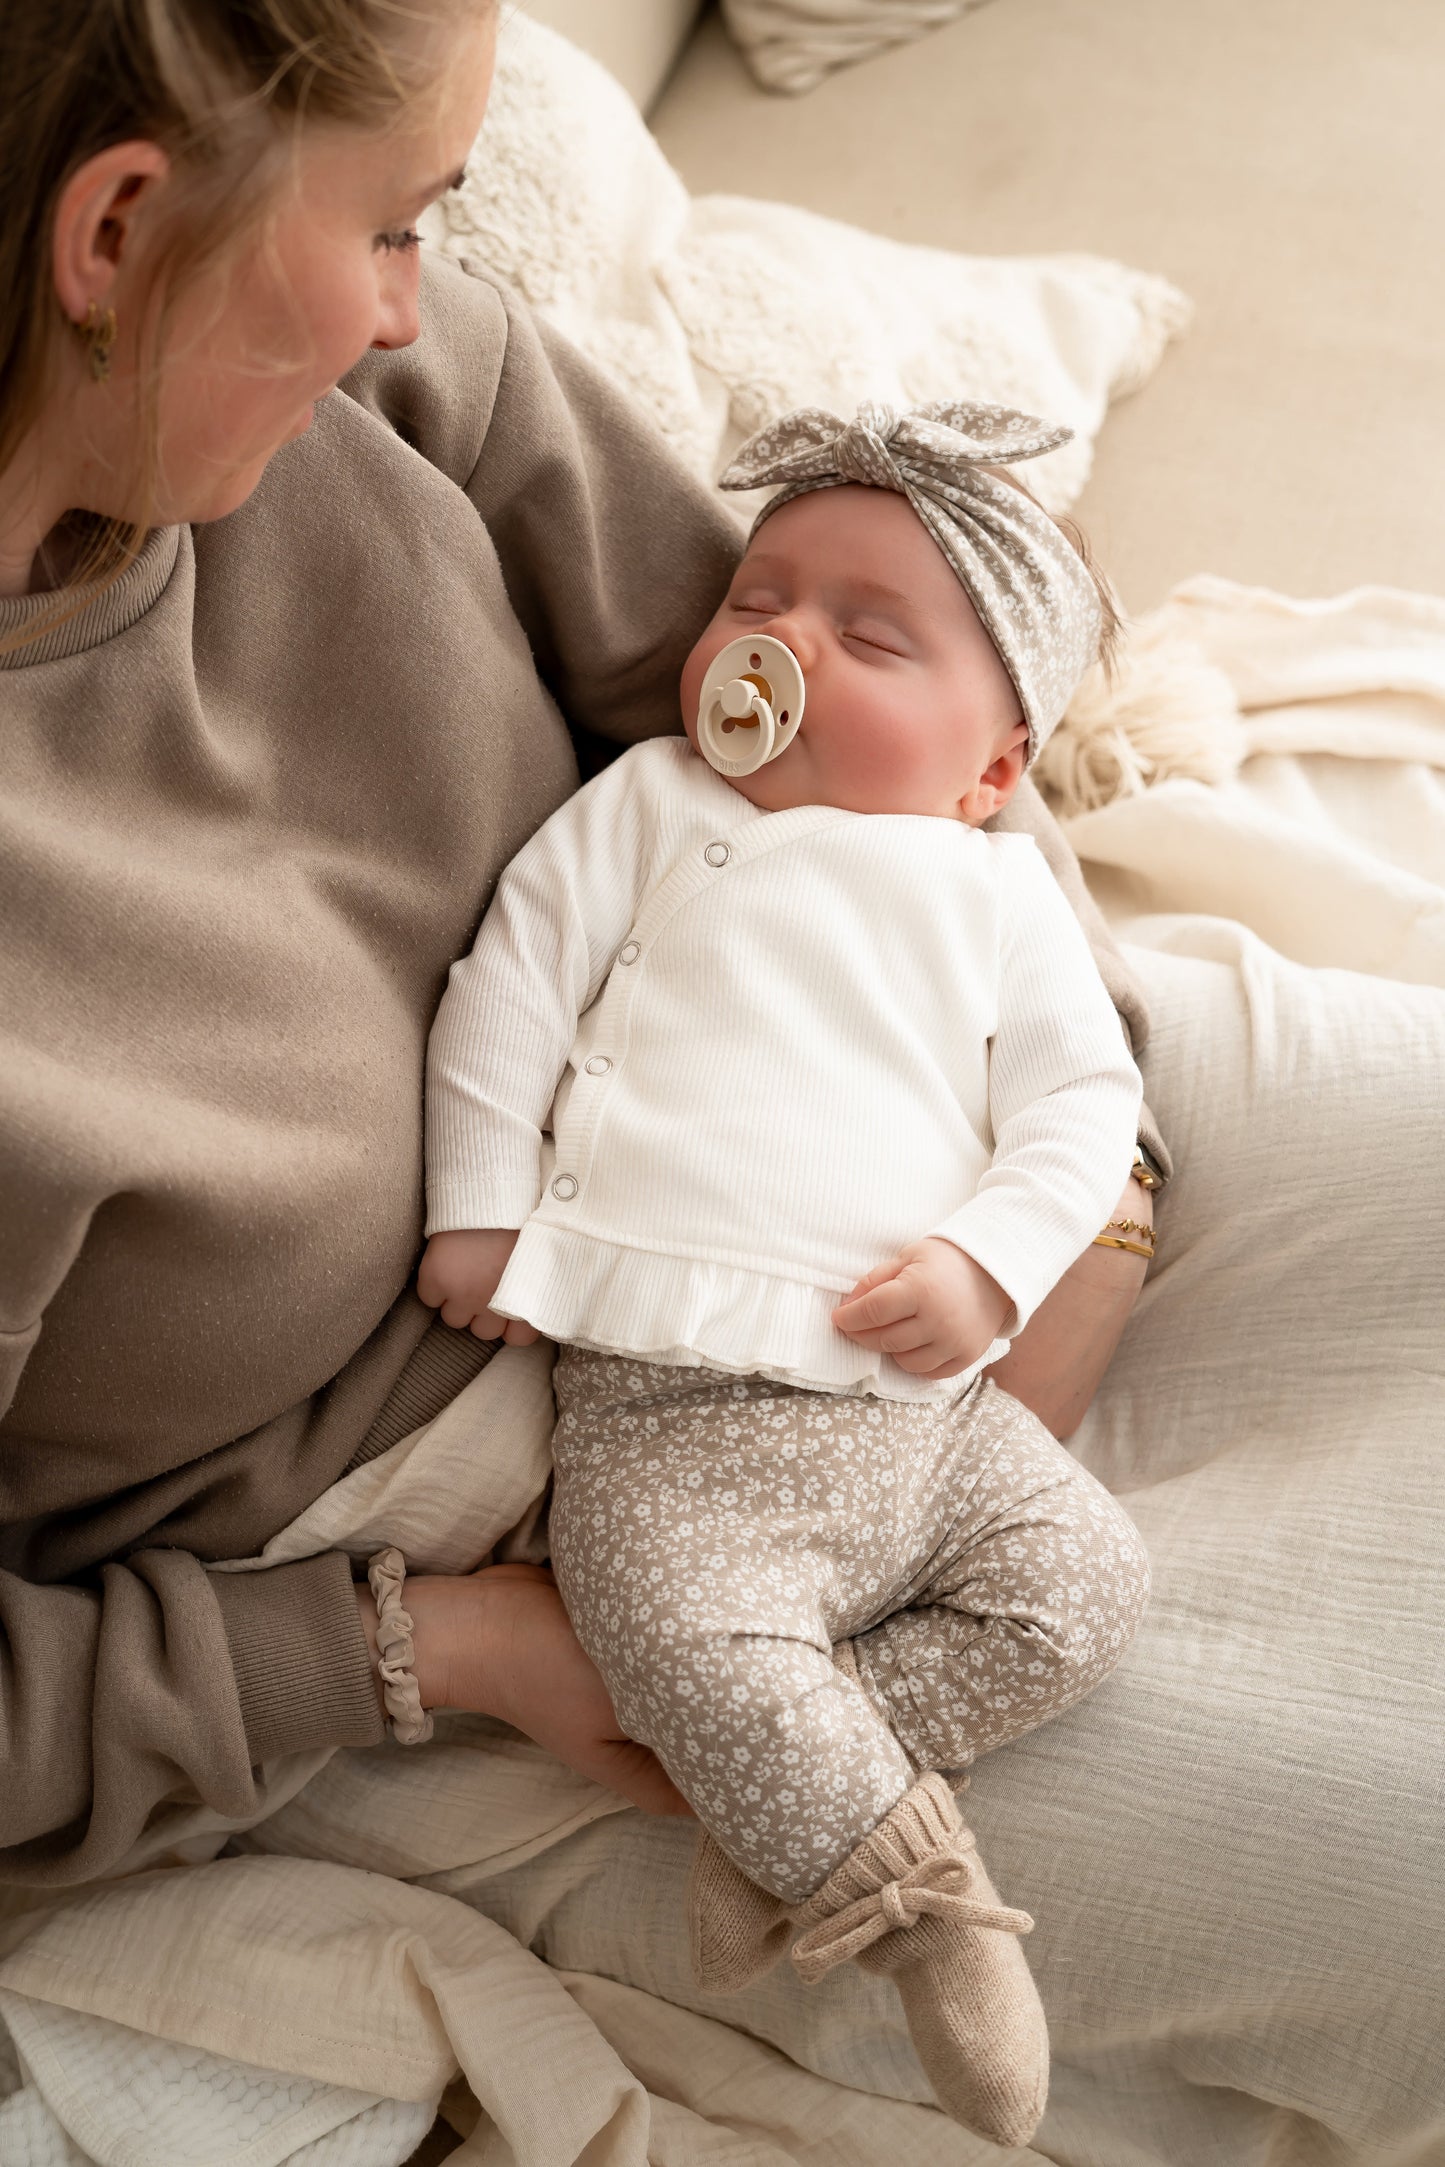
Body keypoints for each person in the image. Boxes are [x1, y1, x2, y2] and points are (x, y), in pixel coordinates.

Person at [0, 0, 1160, 2112]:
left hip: (918, 1195)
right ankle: (829, 1839)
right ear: (117, 230)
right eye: (387, 229)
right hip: (470, 1571)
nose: (407, 312)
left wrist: (1072, 1203)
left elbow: (877, 702)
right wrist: (443, 1648)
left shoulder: (403, 379)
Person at [414, 397, 1154, 2145]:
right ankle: (918, 1906)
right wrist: (478, 1198)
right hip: (672, 1422)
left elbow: (1080, 1104)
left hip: (923, 1416)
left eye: (865, 632)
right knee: (676, 1631)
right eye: (757, 600)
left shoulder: (989, 889)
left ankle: (786, 1800)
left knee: (1088, 1587)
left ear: (990, 769)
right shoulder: (653, 806)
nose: (777, 645)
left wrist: (987, 1265)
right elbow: (507, 985)